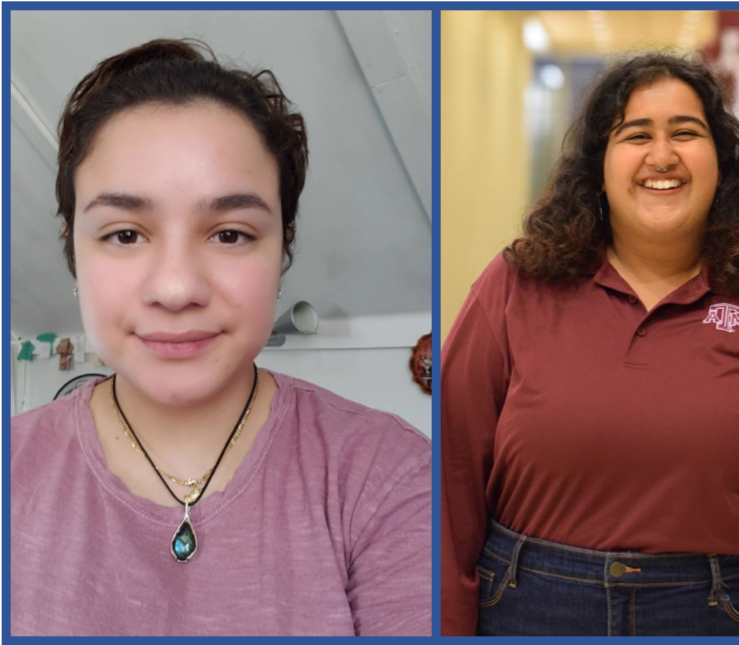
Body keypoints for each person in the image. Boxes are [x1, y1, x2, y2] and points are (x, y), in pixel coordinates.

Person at [10, 38, 431, 636]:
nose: (177, 288)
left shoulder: (389, 478)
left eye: (230, 234)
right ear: (72, 251)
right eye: (125, 235)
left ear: (281, 252)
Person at [441, 53, 739, 636]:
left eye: (685, 133)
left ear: (722, 162)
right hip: (534, 611)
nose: (661, 156)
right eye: (636, 135)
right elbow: (448, 484)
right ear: (599, 166)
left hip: (734, 616)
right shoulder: (515, 286)